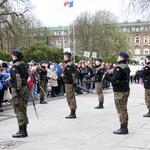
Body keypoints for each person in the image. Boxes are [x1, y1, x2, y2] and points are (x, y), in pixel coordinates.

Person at [105, 51, 130, 134]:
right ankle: (124, 126)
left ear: (122, 58)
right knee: (124, 108)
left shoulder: (118, 67)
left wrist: (106, 77)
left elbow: (114, 79)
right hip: (125, 89)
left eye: (119, 56)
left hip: (120, 90)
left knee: (120, 109)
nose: (118, 57)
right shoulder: (126, 66)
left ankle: (123, 128)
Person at [10, 49, 29, 138]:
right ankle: (24, 129)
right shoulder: (24, 64)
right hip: (24, 88)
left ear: (14, 56)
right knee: (23, 108)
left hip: (18, 89)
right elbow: (26, 76)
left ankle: (22, 131)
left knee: (18, 109)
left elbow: (17, 78)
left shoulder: (15, 66)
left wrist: (17, 90)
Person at [61, 52, 77, 119]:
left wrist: (64, 76)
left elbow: (71, 75)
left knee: (70, 97)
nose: (63, 57)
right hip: (69, 83)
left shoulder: (68, 65)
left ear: (67, 57)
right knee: (71, 97)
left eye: (64, 56)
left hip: (69, 84)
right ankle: (72, 112)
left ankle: (72, 113)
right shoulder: (70, 64)